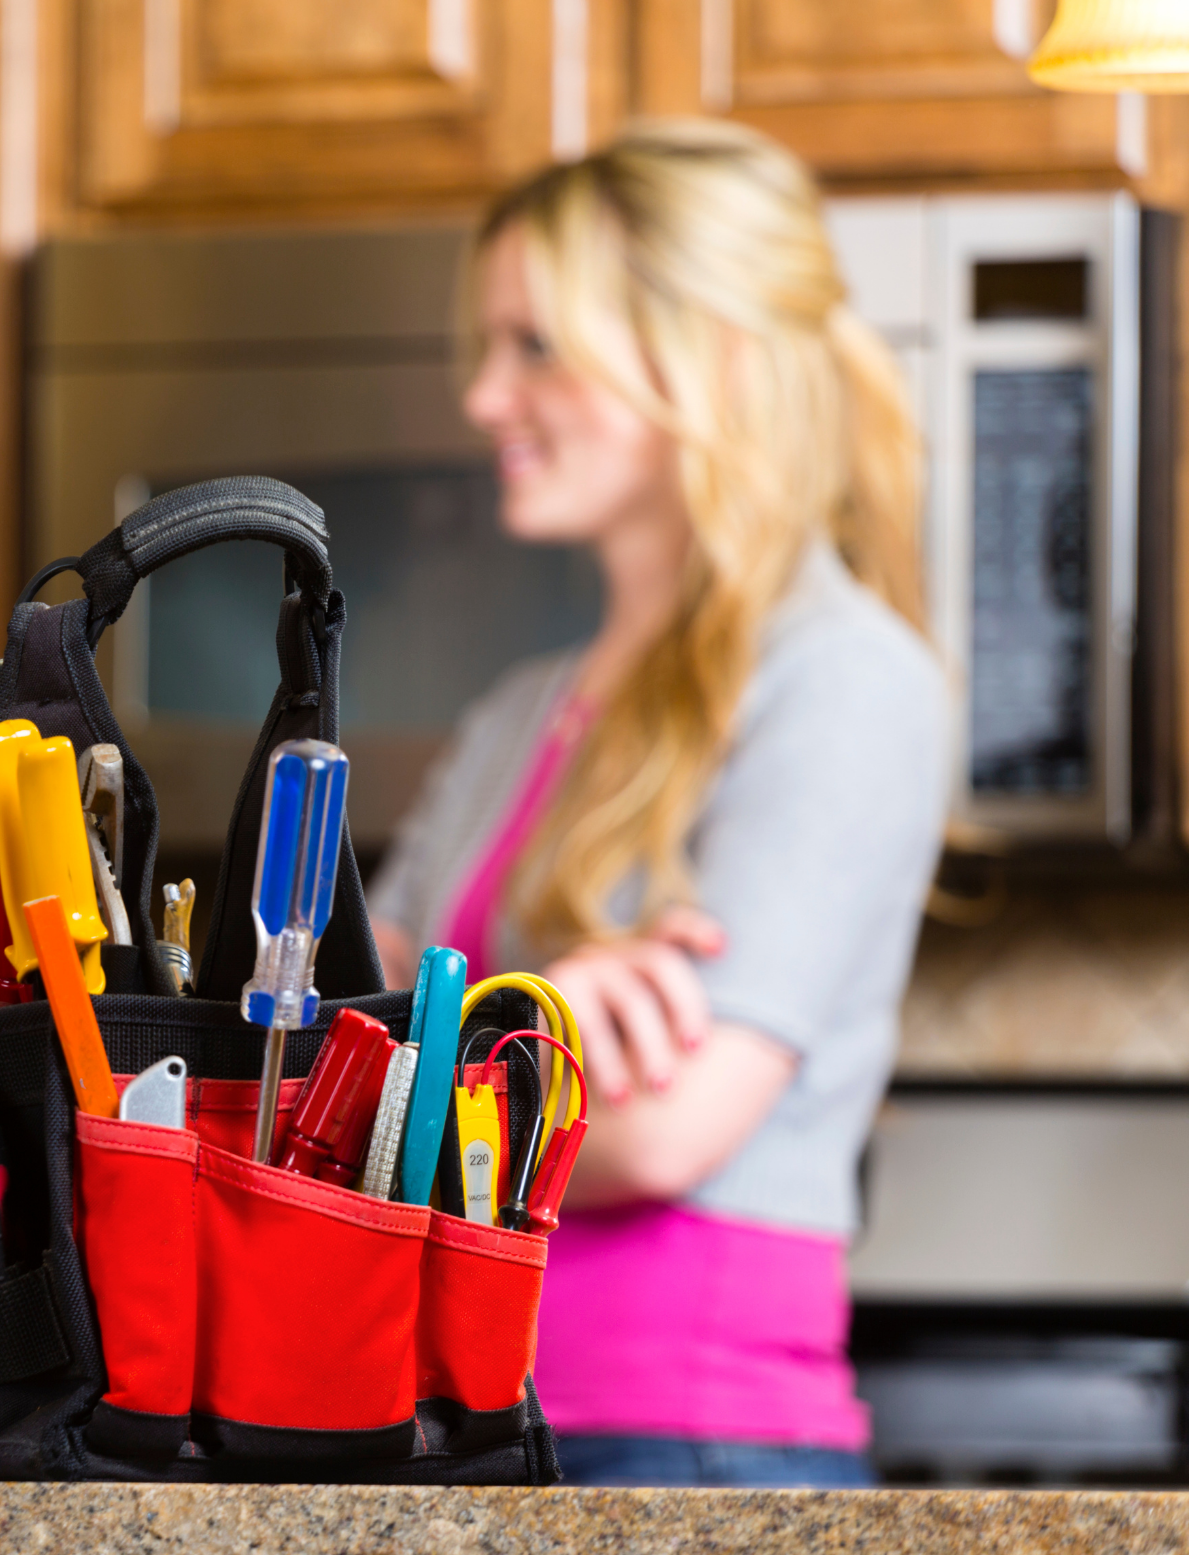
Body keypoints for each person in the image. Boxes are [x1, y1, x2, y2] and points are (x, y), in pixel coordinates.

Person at [366, 119, 949, 1488]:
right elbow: (339, 1020)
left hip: (677, 1440)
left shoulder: (842, 678)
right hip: (442, 1421)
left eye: (535, 345)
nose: (482, 399)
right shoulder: (520, 707)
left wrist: (443, 1045)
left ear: (711, 357)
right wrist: (539, 1029)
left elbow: (658, 1129)